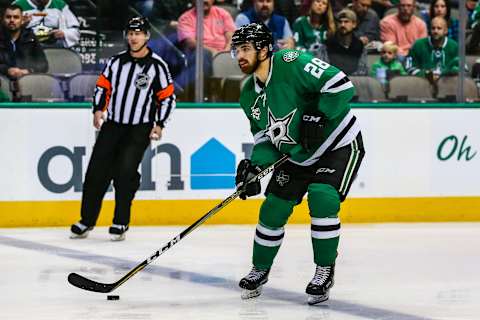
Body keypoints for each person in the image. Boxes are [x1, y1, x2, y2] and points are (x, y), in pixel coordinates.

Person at [231, 23, 365, 305]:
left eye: (245, 49)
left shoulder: (291, 62)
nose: (239, 55)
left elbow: (341, 85)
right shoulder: (247, 95)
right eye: (236, 50)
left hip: (338, 144)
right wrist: (256, 168)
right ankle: (260, 269)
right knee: (273, 207)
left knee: (322, 196)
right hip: (298, 154)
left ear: (265, 49)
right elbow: (266, 140)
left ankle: (324, 270)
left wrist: (319, 113)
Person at [70, 17, 176, 241]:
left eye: (138, 33)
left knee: (125, 173)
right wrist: (98, 109)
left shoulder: (157, 66)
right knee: (95, 173)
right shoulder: (116, 62)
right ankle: (86, 221)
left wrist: (160, 123)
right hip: (113, 125)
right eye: (130, 33)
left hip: (139, 129)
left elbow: (167, 98)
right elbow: (103, 86)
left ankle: (120, 222)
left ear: (147, 36)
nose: (133, 37)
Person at [405, 16, 458, 84]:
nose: (435, 31)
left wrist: (446, 74)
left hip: (447, 84)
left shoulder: (454, 46)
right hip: (423, 83)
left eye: (439, 28)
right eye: (433, 28)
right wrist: (428, 75)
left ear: (446, 31)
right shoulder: (418, 45)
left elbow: (463, 69)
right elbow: (409, 67)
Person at [0, 4, 47, 80]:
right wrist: (7, 70)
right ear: (2, 19)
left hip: (27, 80)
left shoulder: (30, 37)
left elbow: (44, 65)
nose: (12, 20)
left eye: (16, 17)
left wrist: (28, 71)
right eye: (8, 17)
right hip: (3, 80)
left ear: (22, 20)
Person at [320, 9, 368, 75]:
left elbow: (363, 70)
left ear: (354, 24)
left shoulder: (360, 46)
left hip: (354, 82)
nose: (342, 25)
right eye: (340, 22)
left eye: (346, 22)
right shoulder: (327, 44)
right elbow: (323, 69)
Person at [13, 0, 80, 48]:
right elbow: (7, 33)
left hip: (55, 49)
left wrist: (64, 33)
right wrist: (22, 25)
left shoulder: (60, 5)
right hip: (27, 49)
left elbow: (75, 32)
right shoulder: (18, 5)